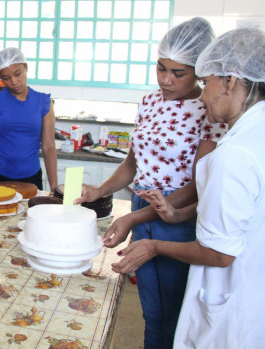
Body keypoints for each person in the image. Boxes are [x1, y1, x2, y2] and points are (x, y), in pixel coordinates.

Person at [73, 18, 226, 348]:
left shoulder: (209, 108)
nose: (166, 80)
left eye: (178, 73)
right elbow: (132, 163)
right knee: (151, 311)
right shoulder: (149, 102)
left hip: (179, 216)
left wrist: (134, 217)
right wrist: (100, 190)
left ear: (200, 71)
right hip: (144, 209)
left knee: (173, 314)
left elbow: (199, 184)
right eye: (161, 69)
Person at [112, 27, 265, 348]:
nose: (205, 93)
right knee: (158, 316)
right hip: (222, 255)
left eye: (206, 82)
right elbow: (228, 205)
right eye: (161, 68)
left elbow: (220, 253)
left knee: (175, 318)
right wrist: (176, 213)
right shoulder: (253, 135)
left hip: (236, 289)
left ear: (231, 82)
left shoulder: (234, 153)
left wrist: (155, 244)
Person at [0, 47, 58, 191]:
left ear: (26, 68)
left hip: (32, 177)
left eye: (17, 74)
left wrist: (54, 188)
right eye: (6, 78)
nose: (14, 82)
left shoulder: (44, 102)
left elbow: (48, 146)